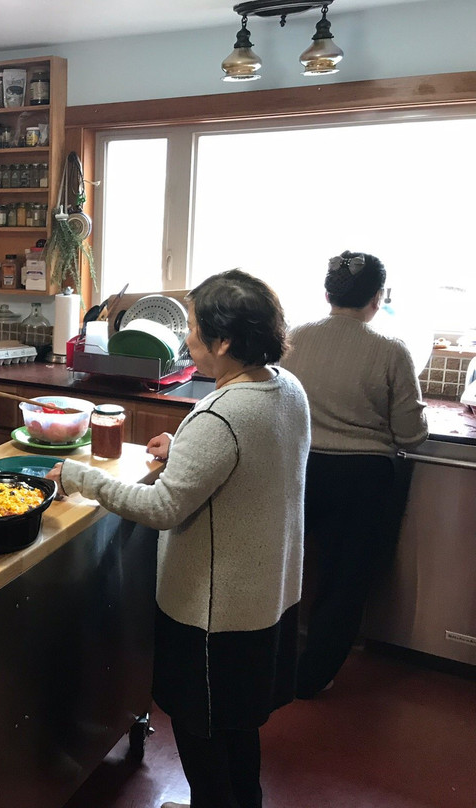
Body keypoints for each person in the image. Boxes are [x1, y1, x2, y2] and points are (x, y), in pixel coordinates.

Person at [47, 269, 310, 808]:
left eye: (192, 329)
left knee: (203, 741)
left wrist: (81, 477)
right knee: (238, 730)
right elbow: (243, 468)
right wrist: (186, 448)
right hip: (267, 600)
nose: (186, 339)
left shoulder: (224, 413)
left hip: (214, 615)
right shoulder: (286, 388)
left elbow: (163, 507)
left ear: (224, 341)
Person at [280, 250, 428, 699]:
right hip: (361, 481)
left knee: (287, 568)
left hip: (299, 468)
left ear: (327, 293)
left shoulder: (295, 337)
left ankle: (274, 665)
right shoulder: (391, 350)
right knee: (345, 582)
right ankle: (312, 678)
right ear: (377, 298)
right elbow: (412, 434)